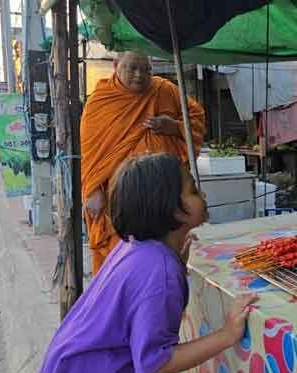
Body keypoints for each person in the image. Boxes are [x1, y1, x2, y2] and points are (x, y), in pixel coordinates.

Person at [26, 153, 256, 373]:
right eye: (193, 190)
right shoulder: (158, 270)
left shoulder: (137, 249)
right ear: (171, 211)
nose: (203, 195)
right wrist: (227, 335)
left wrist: (176, 261)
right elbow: (154, 363)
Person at [81, 51, 206, 274]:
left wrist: (174, 127)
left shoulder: (164, 90)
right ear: (116, 65)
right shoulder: (100, 102)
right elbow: (92, 154)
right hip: (122, 201)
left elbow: (196, 118)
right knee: (124, 268)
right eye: (132, 68)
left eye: (146, 69)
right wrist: (92, 189)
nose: (140, 75)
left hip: (165, 198)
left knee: (167, 262)